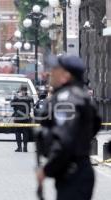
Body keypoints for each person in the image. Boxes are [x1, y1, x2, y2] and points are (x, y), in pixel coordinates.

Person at [35, 54, 101, 200]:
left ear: (65, 76)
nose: (50, 73)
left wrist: (46, 170)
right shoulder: (81, 96)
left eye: (55, 69)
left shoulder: (67, 100)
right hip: (77, 171)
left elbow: (64, 140)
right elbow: (96, 124)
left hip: (73, 173)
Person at [11, 85, 34, 152]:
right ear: (26, 90)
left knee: (18, 132)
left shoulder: (16, 97)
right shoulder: (30, 98)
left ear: (20, 90)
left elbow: (12, 104)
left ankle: (19, 147)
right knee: (25, 132)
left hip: (18, 117)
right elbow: (32, 106)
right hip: (26, 117)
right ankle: (25, 147)